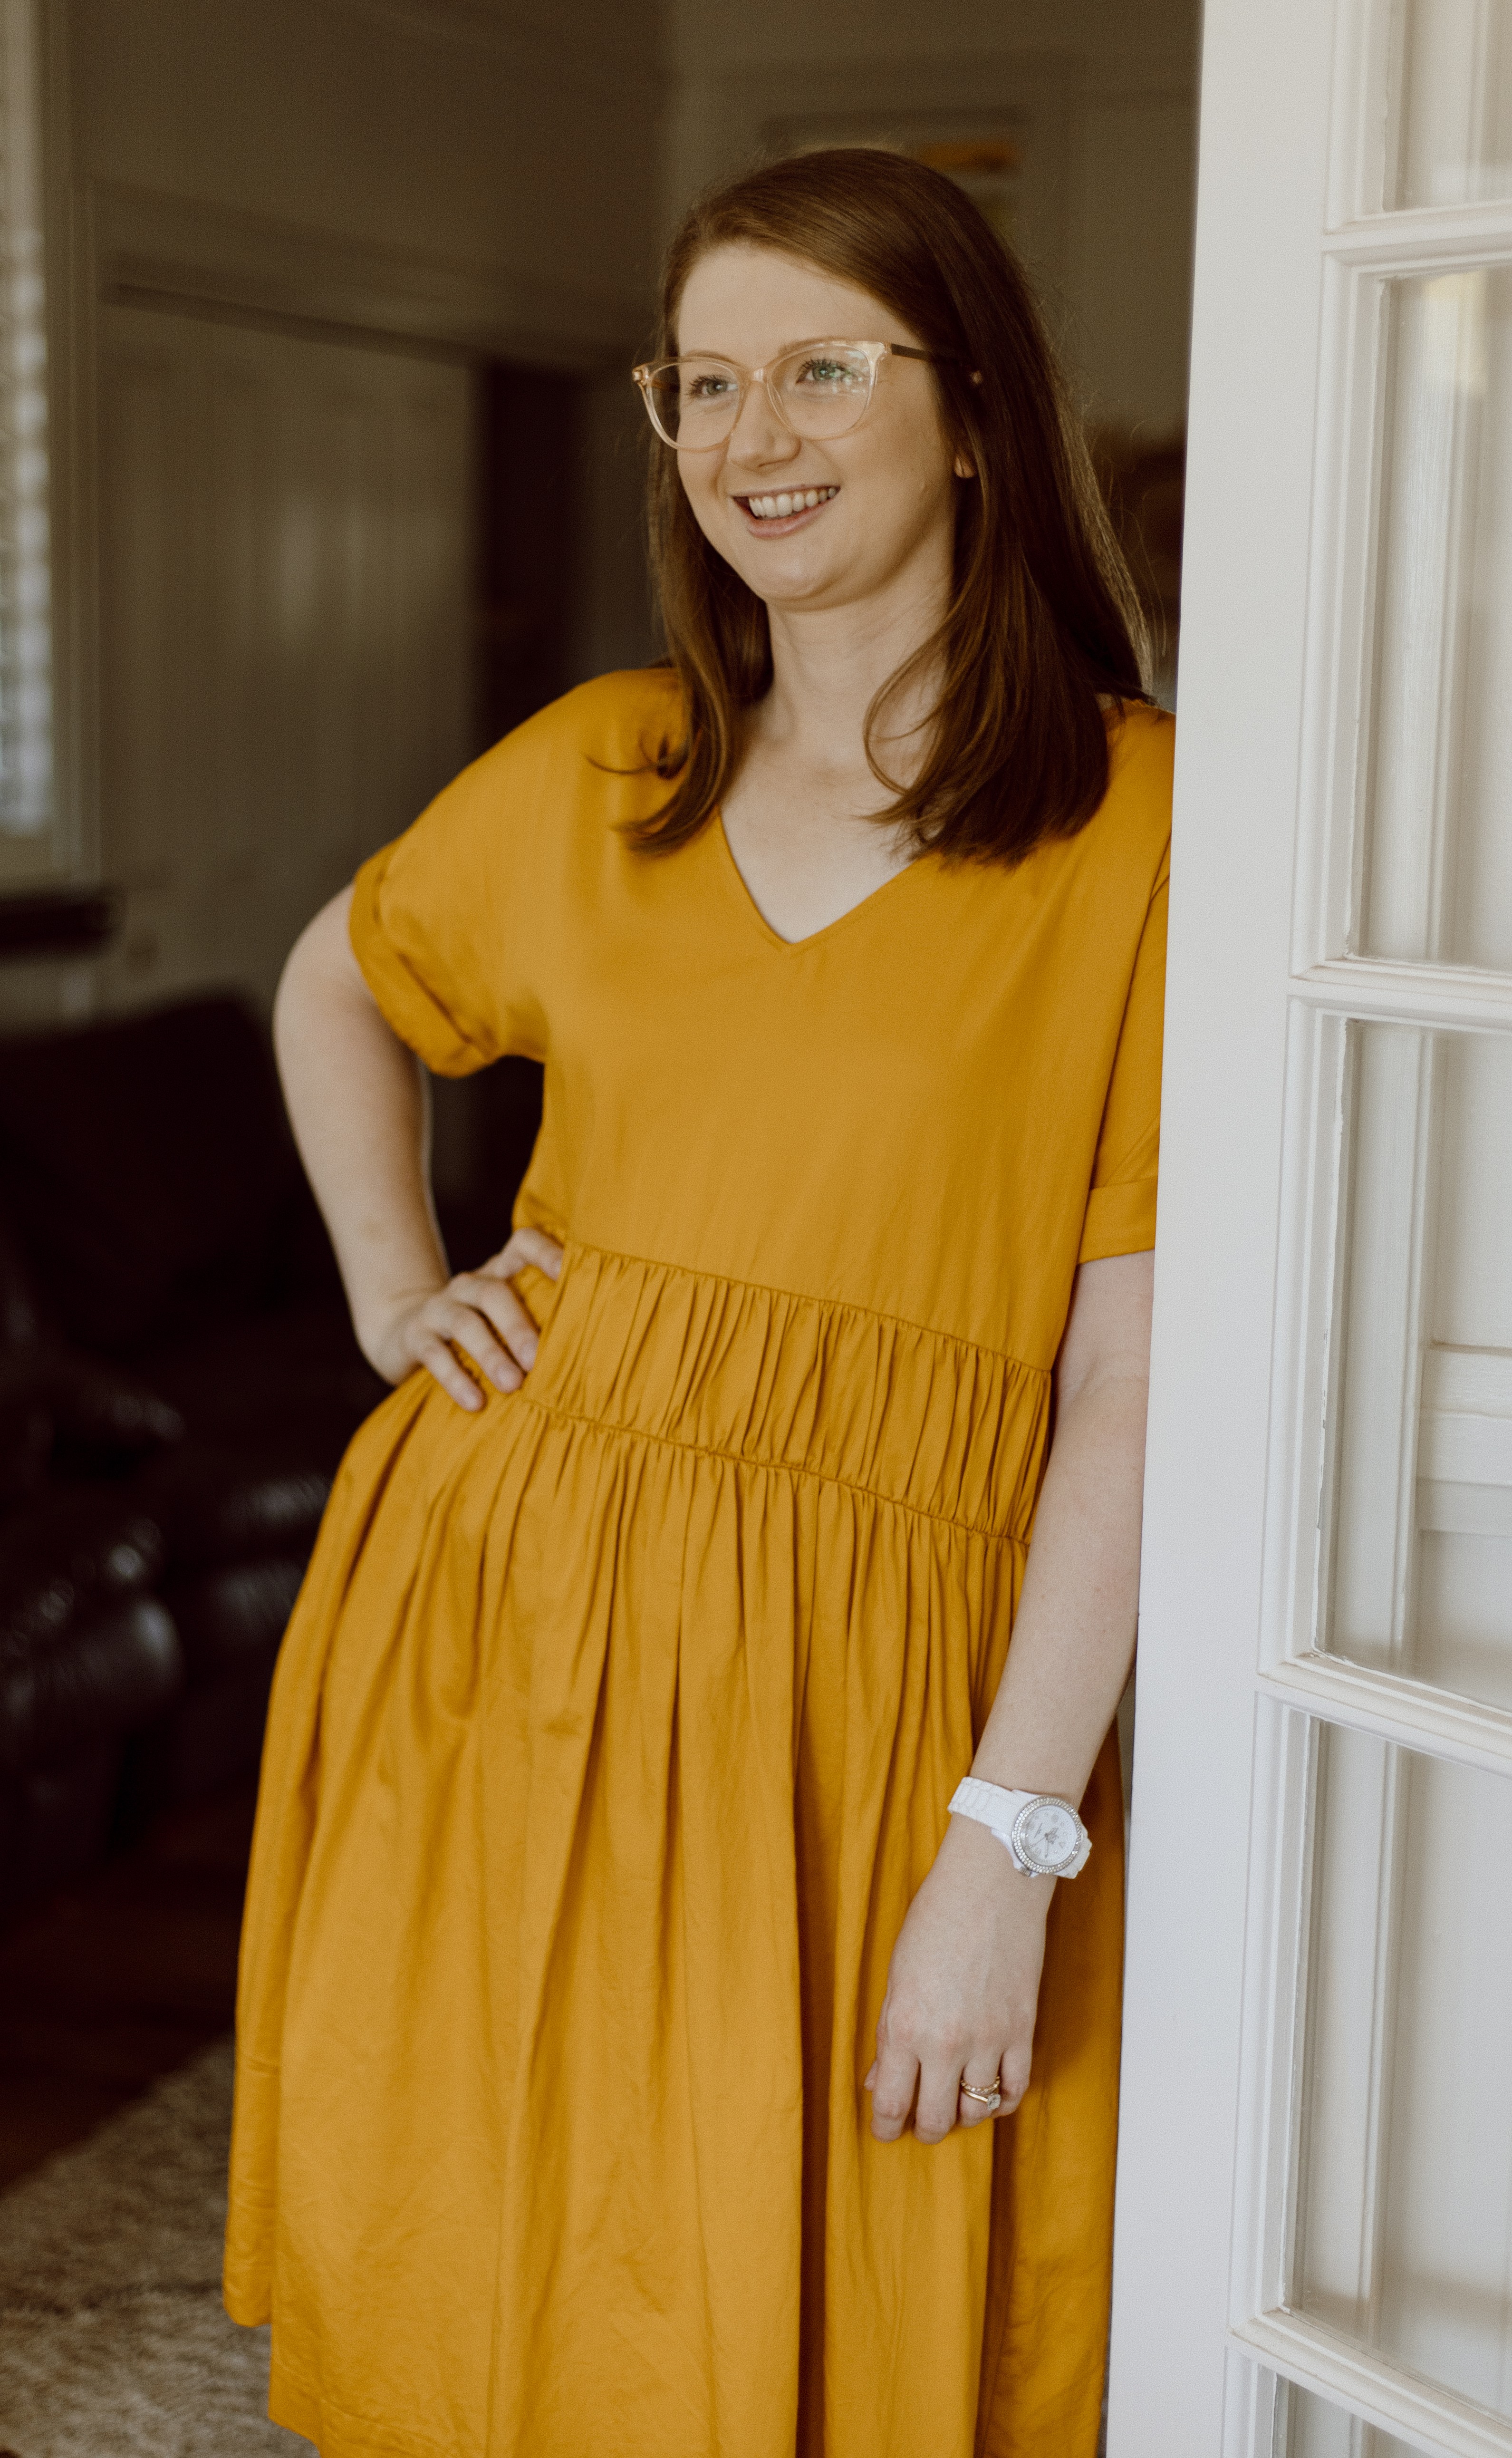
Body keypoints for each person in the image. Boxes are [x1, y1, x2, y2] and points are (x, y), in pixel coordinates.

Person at [224, 145, 1171, 2458]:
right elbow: (336, 979)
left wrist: (1006, 1843)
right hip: (506, 1615)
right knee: (493, 2239)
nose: (754, 436)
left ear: (973, 410)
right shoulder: (601, 764)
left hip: (873, 1673)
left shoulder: (1143, 827)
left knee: (816, 2287)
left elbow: (1131, 1381)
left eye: (822, 369)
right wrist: (395, 1292)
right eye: (705, 384)